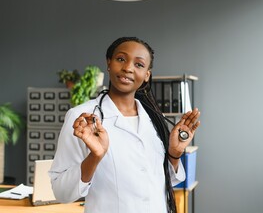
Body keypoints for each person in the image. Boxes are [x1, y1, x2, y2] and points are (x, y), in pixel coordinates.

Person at [49, 37, 201, 213]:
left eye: (139, 64)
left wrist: (174, 154)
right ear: (108, 63)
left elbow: (156, 182)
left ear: (146, 76)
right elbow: (61, 192)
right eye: (121, 59)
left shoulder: (154, 118)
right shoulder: (83, 118)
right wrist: (95, 157)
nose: (128, 68)